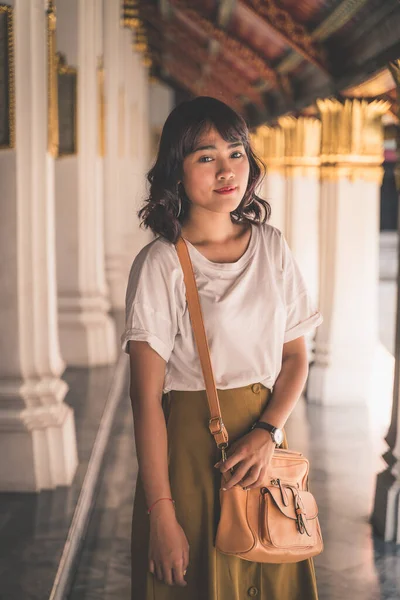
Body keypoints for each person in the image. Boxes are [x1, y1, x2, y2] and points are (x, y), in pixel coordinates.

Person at [121, 96, 323, 600]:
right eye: (206, 157)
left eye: (236, 152)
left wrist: (268, 432)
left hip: (264, 458)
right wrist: (161, 512)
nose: (227, 170)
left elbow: (296, 357)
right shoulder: (161, 265)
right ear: (176, 170)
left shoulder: (271, 246)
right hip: (191, 462)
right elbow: (145, 401)